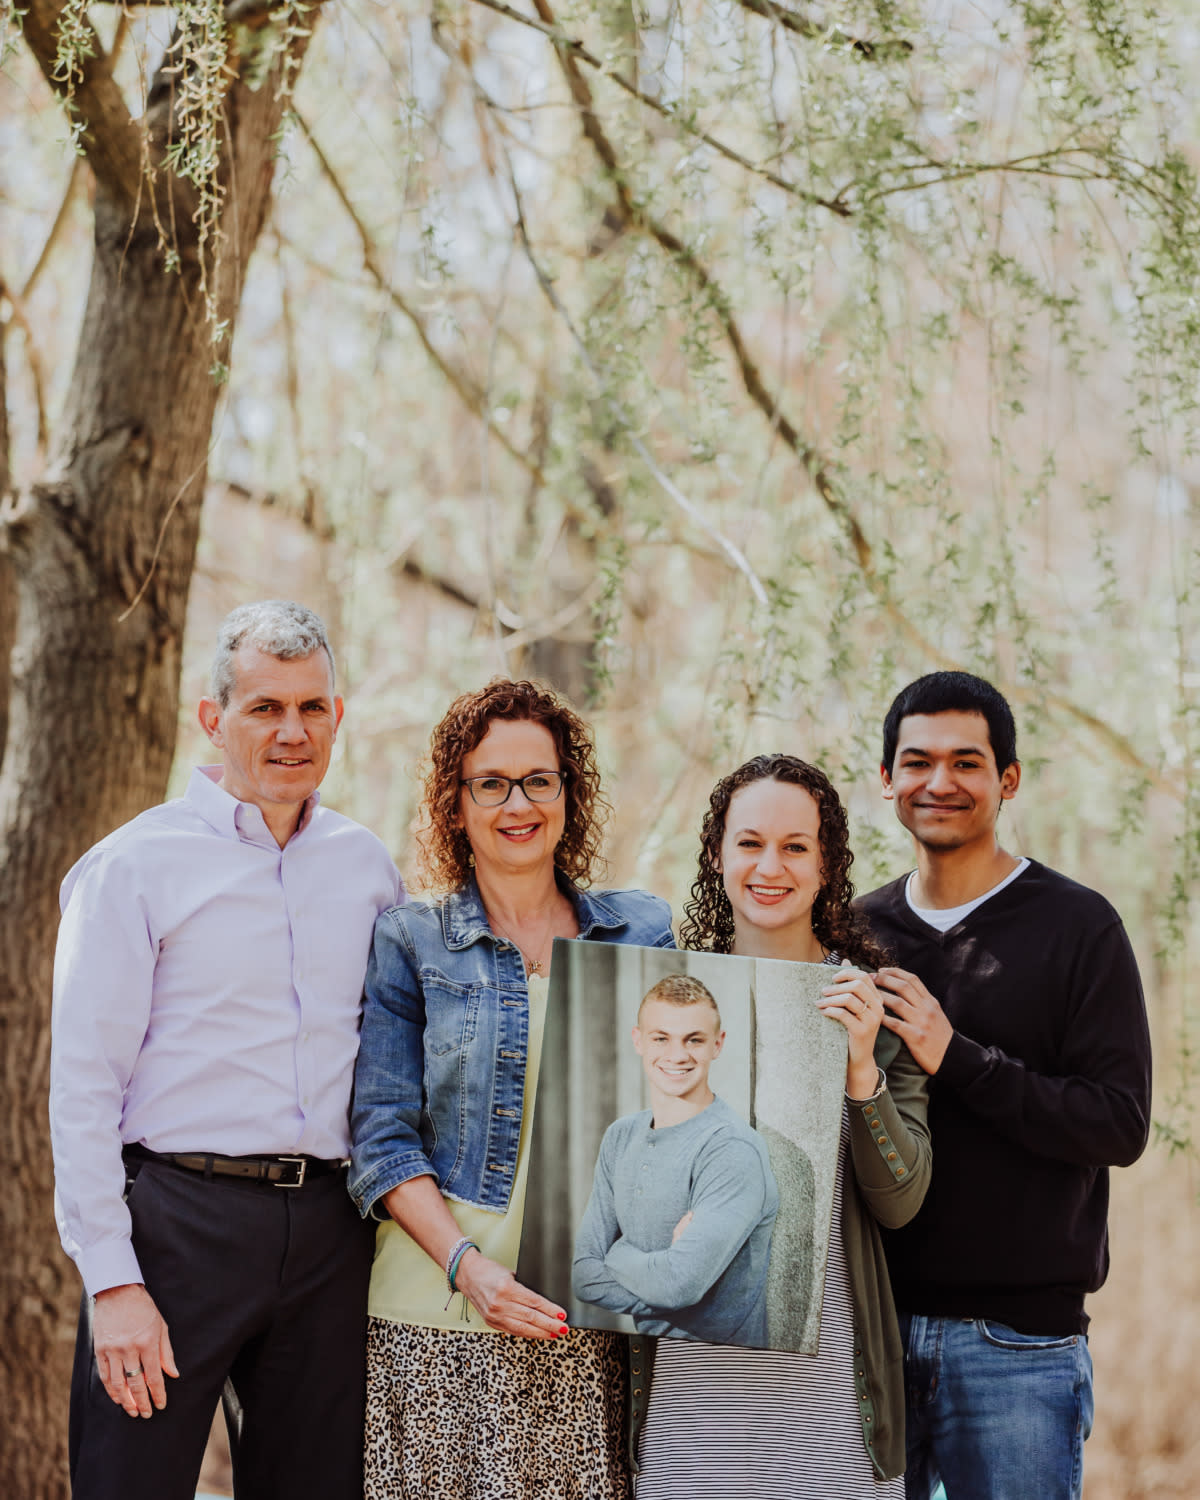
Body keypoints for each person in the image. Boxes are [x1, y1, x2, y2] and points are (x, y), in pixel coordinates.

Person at [50, 600, 403, 1500]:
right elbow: (84, 1087)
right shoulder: (133, 868)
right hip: (175, 1229)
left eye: (313, 708)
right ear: (214, 719)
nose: (293, 731)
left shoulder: (367, 869)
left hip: (329, 1235)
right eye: (265, 708)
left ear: (336, 714)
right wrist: (113, 1282)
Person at [348, 678, 674, 1500]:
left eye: (538, 780)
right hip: (438, 1313)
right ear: (455, 805)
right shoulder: (410, 939)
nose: (516, 803)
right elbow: (383, 1140)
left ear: (570, 793)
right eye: (490, 784)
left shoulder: (641, 933)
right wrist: (469, 1270)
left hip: (581, 1322)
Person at [860, 670, 1152, 1500]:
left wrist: (958, 1056)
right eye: (917, 762)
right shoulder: (856, 931)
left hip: (1019, 1350)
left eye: (967, 762)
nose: (939, 782)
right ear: (886, 780)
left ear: (1007, 780)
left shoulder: (1078, 926)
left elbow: (1119, 1124)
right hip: (871, 1339)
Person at [634, 753, 932, 1498]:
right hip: (688, 1398)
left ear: (827, 864)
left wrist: (861, 1071)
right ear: (716, 853)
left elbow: (902, 1202)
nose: (771, 866)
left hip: (827, 1402)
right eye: (750, 842)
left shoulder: (873, 1011)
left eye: (796, 846)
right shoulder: (653, 1002)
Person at [572, 974, 779, 1346]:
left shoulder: (730, 1148)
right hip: (645, 1369)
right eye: (661, 1038)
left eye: (694, 1040)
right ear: (638, 1040)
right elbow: (584, 1277)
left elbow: (678, 1285)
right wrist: (669, 1277)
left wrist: (617, 1254)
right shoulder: (620, 1135)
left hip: (724, 1372)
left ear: (718, 1044)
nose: (677, 1055)